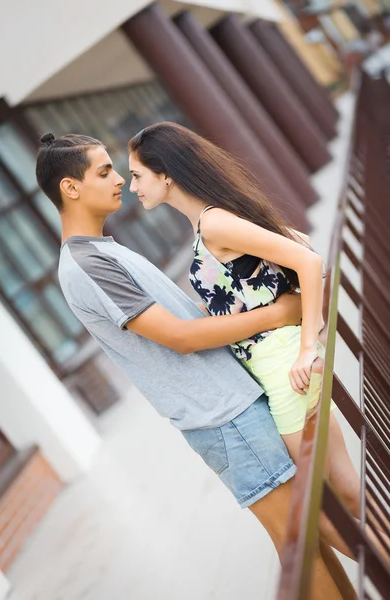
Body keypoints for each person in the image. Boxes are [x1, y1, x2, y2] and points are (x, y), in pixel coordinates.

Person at [35, 131, 354, 599]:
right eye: (104, 171)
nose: (121, 179)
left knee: (306, 542)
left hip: (233, 406)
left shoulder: (105, 250)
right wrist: (280, 313)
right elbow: (180, 336)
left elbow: (186, 326)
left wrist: (279, 318)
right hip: (222, 415)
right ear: (70, 188)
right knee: (305, 541)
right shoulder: (88, 263)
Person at [127, 122, 361, 534]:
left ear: (165, 173)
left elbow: (309, 261)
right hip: (283, 363)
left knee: (324, 503)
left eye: (136, 176)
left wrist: (309, 343)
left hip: (287, 366)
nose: (132, 187)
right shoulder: (208, 222)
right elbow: (293, 243)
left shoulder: (214, 223)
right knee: (345, 489)